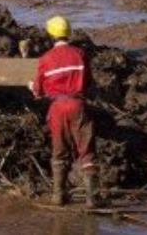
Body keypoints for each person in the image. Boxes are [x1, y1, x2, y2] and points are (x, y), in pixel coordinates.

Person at [30, 16, 98, 208]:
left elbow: (38, 91)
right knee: (86, 150)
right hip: (78, 106)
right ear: (68, 33)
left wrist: (33, 88)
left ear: (51, 35)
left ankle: (58, 196)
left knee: (59, 151)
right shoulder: (80, 54)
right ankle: (92, 199)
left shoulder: (45, 59)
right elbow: (88, 83)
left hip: (58, 108)